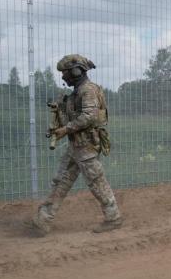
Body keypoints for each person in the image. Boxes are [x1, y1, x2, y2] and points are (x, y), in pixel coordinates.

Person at [29, 54, 122, 236]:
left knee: (96, 181)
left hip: (86, 145)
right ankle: (43, 219)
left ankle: (113, 217)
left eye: (65, 73)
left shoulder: (87, 90)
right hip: (76, 146)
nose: (63, 77)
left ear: (76, 71)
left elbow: (89, 116)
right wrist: (61, 112)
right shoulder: (76, 92)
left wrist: (66, 129)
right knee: (61, 179)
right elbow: (76, 116)